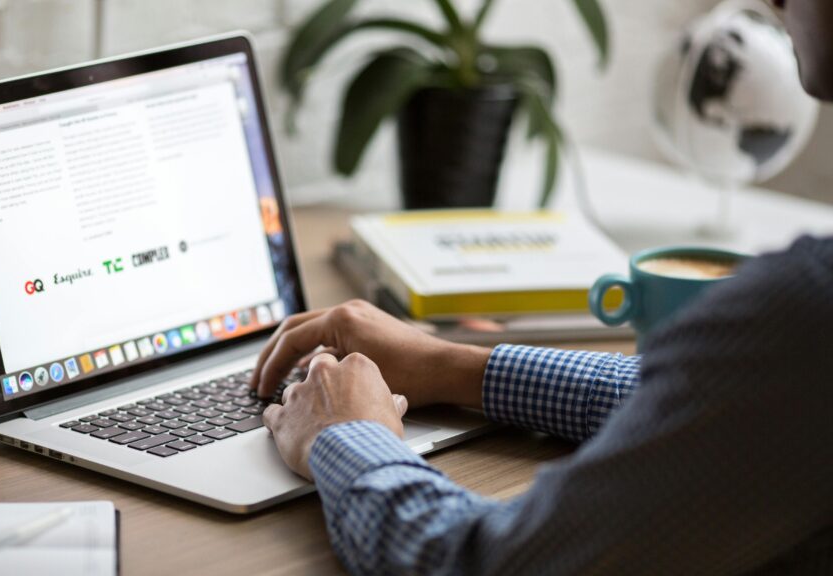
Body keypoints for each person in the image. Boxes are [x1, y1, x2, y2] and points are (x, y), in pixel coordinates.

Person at [251, 1, 833, 573]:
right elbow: (726, 401)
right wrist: (456, 366)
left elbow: (479, 562)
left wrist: (346, 436)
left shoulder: (804, 310)